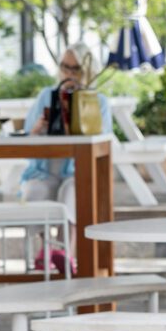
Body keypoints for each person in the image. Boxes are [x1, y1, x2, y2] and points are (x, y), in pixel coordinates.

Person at [20, 43, 112, 266]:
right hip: (44, 170)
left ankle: (64, 250)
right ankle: (46, 249)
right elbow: (26, 136)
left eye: (75, 68)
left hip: (77, 171)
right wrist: (37, 129)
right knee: (35, 189)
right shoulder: (47, 96)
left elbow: (103, 141)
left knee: (73, 188)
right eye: (65, 67)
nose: (69, 73)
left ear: (86, 70)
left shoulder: (97, 101)